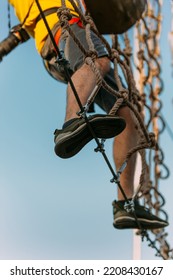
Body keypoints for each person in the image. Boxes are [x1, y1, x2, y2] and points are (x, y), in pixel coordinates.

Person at [6, 0, 168, 230]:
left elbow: (19, 33)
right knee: (97, 61)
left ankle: (125, 203)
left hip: (65, 41)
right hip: (64, 29)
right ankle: (71, 123)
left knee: (129, 113)